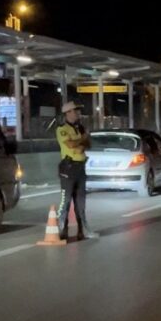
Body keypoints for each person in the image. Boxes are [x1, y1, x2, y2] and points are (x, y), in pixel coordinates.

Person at [56, 102, 98, 240]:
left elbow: (88, 144)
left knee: (81, 201)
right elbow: (71, 144)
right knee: (66, 200)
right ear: (67, 113)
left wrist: (81, 142)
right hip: (68, 168)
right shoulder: (62, 129)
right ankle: (62, 230)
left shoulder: (79, 128)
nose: (77, 113)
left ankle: (83, 230)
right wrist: (82, 140)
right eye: (75, 111)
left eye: (77, 111)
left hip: (80, 167)